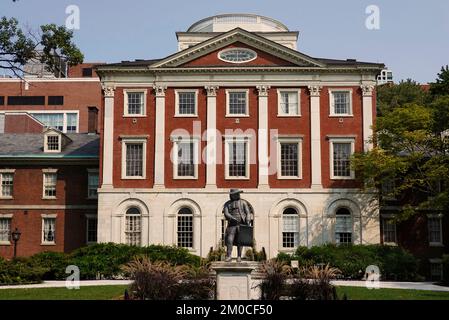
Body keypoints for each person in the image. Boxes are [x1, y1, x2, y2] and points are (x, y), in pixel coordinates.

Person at [223, 189, 251, 262]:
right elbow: (226, 213)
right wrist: (231, 218)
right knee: (230, 239)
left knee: (240, 240)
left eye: (238, 194)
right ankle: (229, 256)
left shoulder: (243, 202)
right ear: (232, 195)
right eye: (236, 194)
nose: (238, 195)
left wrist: (248, 219)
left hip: (241, 223)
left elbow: (248, 212)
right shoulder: (227, 204)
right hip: (232, 224)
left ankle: (239, 256)